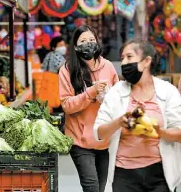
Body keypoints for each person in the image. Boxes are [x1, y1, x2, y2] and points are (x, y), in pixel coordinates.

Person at [93, 39, 181, 192]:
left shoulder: (168, 91)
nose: (124, 63)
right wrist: (119, 122)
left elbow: (179, 132)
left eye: (129, 57)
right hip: (123, 174)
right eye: (122, 59)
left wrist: (158, 131)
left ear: (146, 61)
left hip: (159, 174)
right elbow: (98, 133)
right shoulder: (116, 92)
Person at [58, 25, 119, 192]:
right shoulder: (67, 70)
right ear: (76, 46)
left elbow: (119, 98)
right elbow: (67, 105)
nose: (88, 44)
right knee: (91, 187)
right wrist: (91, 92)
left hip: (103, 138)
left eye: (92, 40)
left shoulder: (108, 66)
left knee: (100, 187)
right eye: (83, 41)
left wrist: (109, 97)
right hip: (79, 139)